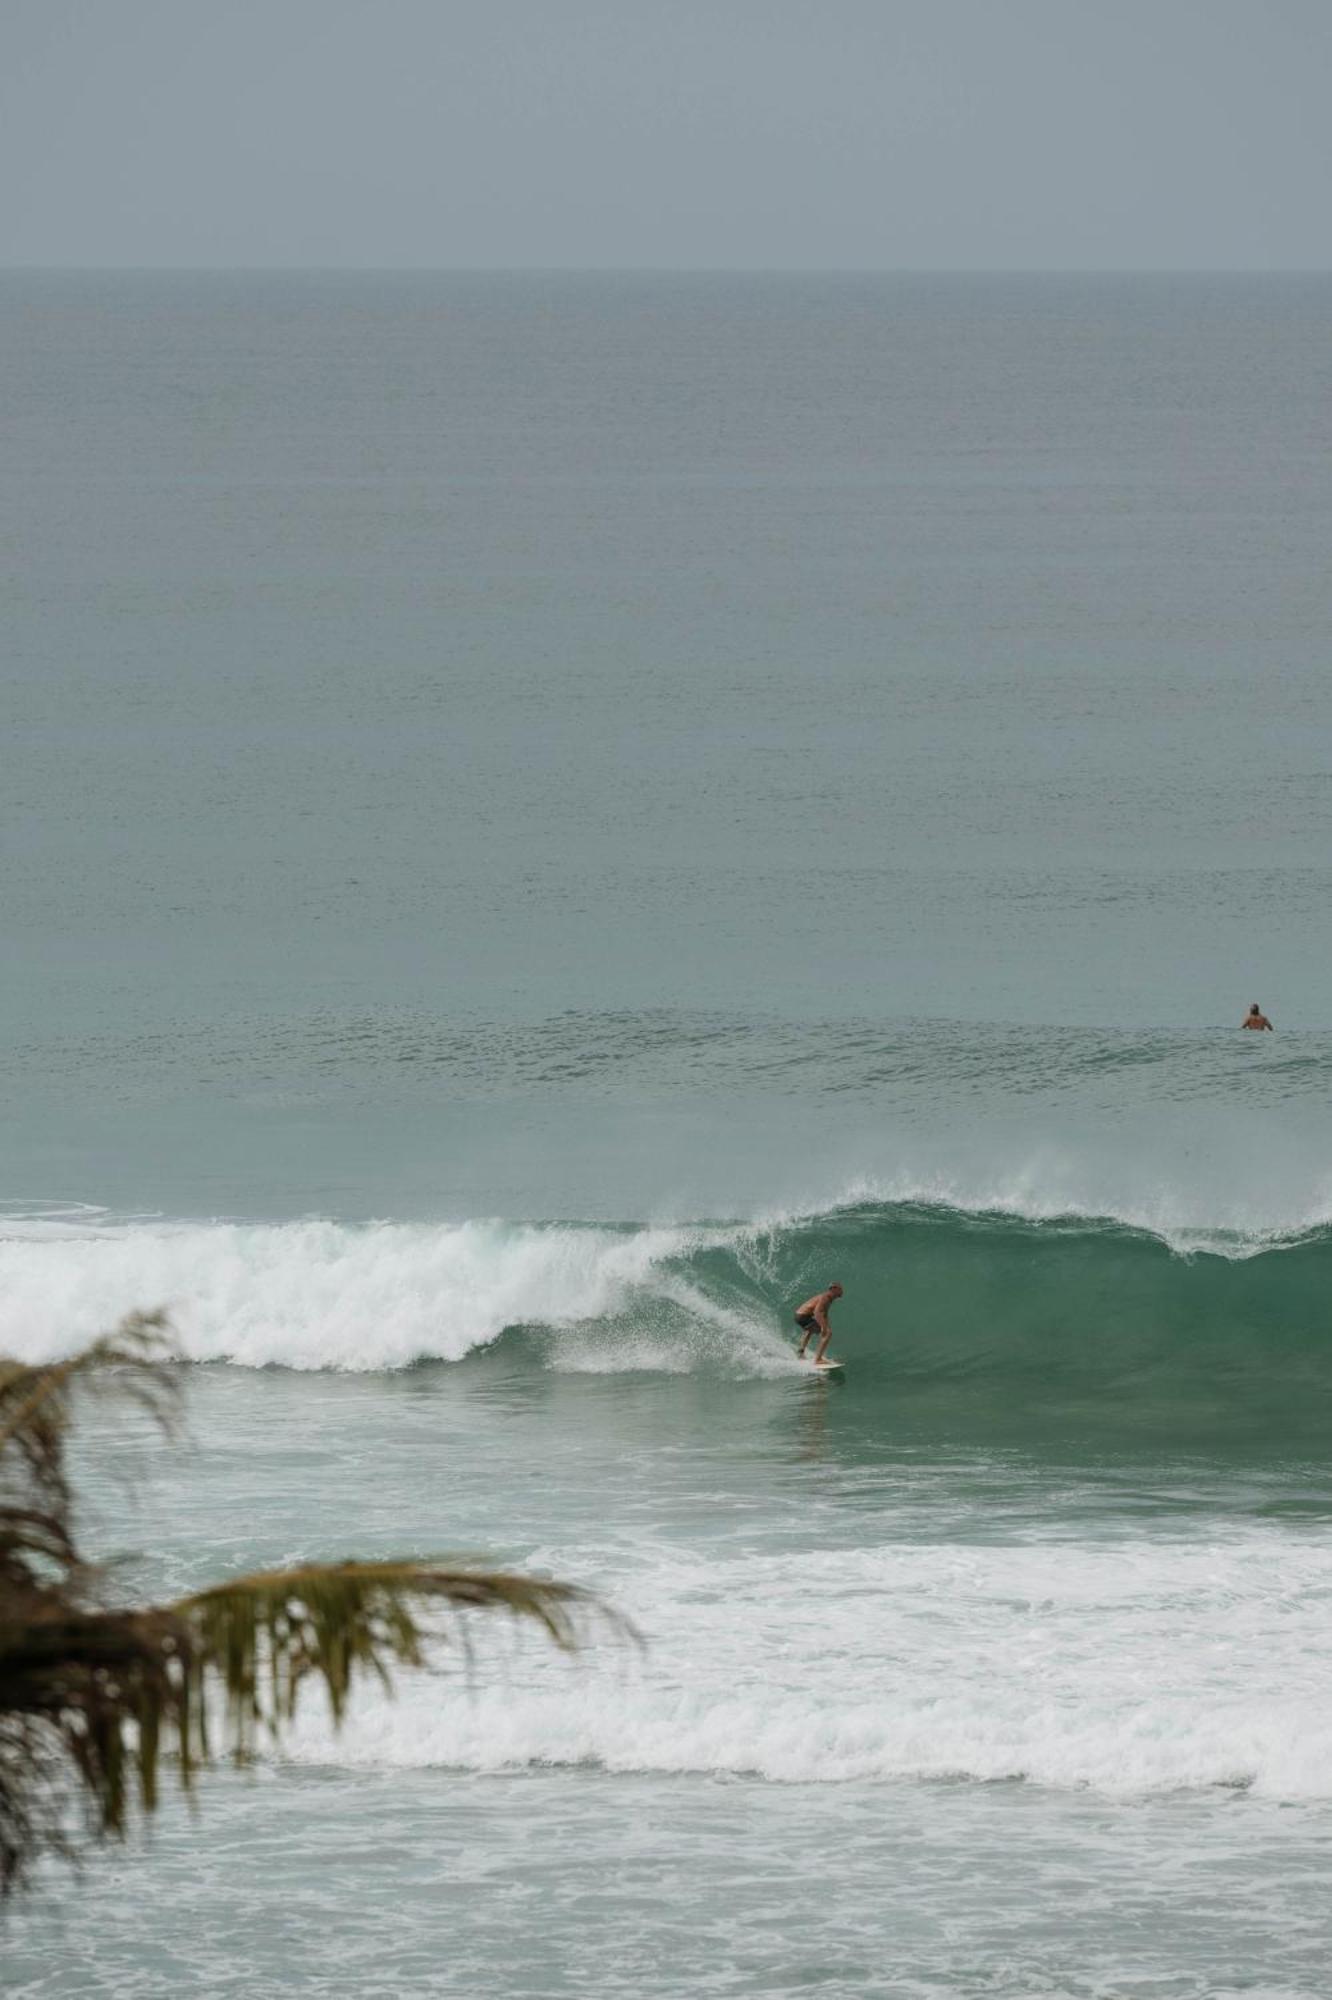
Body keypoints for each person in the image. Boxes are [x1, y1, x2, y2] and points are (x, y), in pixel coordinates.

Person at [794, 1283, 843, 1364]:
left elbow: (824, 1314)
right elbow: (817, 1312)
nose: (842, 1292)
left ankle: (800, 1352)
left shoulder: (828, 1298)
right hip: (803, 1316)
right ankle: (818, 1359)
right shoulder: (826, 1297)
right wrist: (824, 1327)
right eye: (840, 1290)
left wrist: (826, 1326)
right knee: (828, 1334)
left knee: (810, 1330)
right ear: (834, 1289)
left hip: (800, 1315)